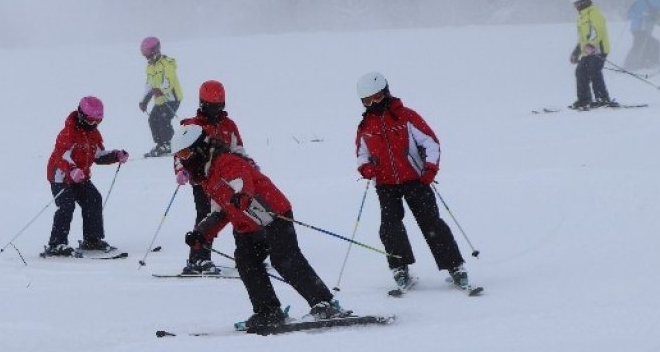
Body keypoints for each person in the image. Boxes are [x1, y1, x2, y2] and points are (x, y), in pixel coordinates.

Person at [174, 125, 348, 330]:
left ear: (200, 148)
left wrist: (242, 196)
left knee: (285, 259)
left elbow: (242, 181)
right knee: (246, 261)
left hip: (272, 214)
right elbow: (219, 211)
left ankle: (324, 304)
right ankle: (268, 311)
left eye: (185, 153)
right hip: (247, 226)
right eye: (179, 155)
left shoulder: (226, 162)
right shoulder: (208, 176)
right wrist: (201, 234)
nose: (183, 160)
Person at [353, 71, 469, 292]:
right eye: (367, 100)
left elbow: (431, 143)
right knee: (390, 226)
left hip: (415, 179)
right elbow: (361, 154)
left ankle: (455, 266)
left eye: (377, 97)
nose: (373, 103)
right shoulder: (365, 126)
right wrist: (366, 168)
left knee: (431, 222)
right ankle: (400, 267)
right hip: (386, 184)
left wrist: (430, 169)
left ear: (386, 93)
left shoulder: (406, 116)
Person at [42, 96, 129, 257]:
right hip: (61, 177)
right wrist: (73, 170)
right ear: (81, 115)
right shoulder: (67, 133)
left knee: (93, 199)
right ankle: (57, 244)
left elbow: (97, 155)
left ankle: (92, 239)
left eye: (98, 121)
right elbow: (62, 156)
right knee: (66, 206)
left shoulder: (93, 133)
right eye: (90, 120)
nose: (94, 124)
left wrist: (115, 156)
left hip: (80, 177)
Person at [176, 80, 247, 275]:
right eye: (210, 107)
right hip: (202, 180)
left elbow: (238, 150)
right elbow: (180, 152)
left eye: (219, 106)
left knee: (239, 213)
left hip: (227, 181)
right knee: (206, 215)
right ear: (201, 103)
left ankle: (247, 256)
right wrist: (181, 171)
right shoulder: (193, 125)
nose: (215, 111)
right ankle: (198, 259)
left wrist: (248, 167)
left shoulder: (228, 125)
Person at [568, 0, 615, 109]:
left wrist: (591, 45)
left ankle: (603, 99)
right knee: (580, 72)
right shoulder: (581, 18)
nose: (575, 7)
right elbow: (582, 39)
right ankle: (584, 100)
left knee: (594, 71)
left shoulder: (594, 13)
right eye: (574, 5)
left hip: (599, 50)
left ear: (583, 2)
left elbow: (598, 31)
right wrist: (576, 53)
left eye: (577, 4)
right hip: (587, 52)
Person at [138, 36, 183, 158]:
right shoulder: (150, 67)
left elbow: (169, 80)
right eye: (145, 55)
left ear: (155, 51)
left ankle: (169, 144)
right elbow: (149, 84)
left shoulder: (166, 63)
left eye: (147, 55)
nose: (146, 58)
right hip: (160, 99)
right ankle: (161, 144)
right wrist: (144, 101)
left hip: (172, 98)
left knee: (164, 119)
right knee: (152, 119)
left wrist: (161, 90)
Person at [623, 0, 660, 71]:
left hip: (637, 29)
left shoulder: (637, 3)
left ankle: (640, 62)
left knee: (644, 45)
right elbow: (648, 15)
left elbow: (629, 14)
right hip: (641, 29)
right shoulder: (644, 3)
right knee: (640, 45)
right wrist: (643, 16)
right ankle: (631, 64)